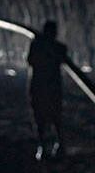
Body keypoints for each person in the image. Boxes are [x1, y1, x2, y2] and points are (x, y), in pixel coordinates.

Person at [26, 19, 67, 159]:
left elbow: (31, 61)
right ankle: (45, 146)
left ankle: (57, 145)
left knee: (53, 117)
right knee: (41, 117)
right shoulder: (39, 46)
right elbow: (30, 60)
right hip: (42, 87)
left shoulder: (56, 48)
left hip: (47, 88)